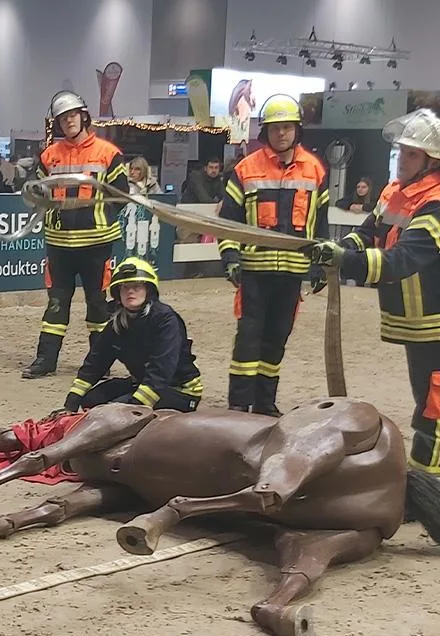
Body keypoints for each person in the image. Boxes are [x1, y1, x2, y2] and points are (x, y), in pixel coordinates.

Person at [312, 108, 440, 474]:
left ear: (431, 161)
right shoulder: (396, 193)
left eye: (412, 154)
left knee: (435, 408)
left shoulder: (436, 202)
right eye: (401, 151)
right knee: (428, 401)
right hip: (420, 322)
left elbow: (401, 259)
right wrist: (336, 253)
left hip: (435, 319)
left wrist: (345, 261)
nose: (402, 160)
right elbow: (368, 233)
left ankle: (428, 490)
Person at [217, 94, 330, 416]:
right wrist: (230, 259)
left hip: (292, 273)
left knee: (277, 340)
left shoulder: (315, 170)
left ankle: (265, 404)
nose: (281, 133)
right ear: (265, 131)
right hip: (254, 272)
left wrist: (320, 265)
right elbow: (227, 222)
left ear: (297, 130)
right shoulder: (245, 169)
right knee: (248, 341)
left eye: (287, 127)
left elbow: (320, 221)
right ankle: (238, 404)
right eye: (274, 128)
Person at [22, 89, 129, 379]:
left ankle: (100, 364)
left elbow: (121, 196)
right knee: (56, 304)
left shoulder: (108, 153)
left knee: (98, 305)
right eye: (62, 118)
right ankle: (46, 360)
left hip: (96, 243)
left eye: (72, 115)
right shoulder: (49, 156)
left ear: (83, 116)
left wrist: (99, 217)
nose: (68, 121)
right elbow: (35, 191)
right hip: (59, 244)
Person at [61, 258, 203, 413]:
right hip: (144, 383)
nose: (130, 291)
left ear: (148, 290)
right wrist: (71, 402)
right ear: (118, 294)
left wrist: (134, 405)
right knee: (92, 400)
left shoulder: (165, 319)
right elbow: (95, 363)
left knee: (115, 411)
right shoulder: (117, 323)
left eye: (136, 286)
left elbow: (161, 370)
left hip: (179, 389)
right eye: (124, 288)